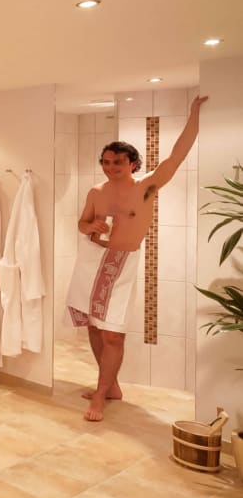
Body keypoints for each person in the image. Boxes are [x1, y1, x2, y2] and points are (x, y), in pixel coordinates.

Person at [66, 95, 208, 421]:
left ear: (132, 163)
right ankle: (110, 386)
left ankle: (100, 395)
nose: (110, 167)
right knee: (93, 327)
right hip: (92, 261)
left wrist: (195, 115)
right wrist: (91, 226)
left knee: (113, 333)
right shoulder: (96, 192)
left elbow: (176, 156)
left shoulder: (146, 187)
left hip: (123, 264)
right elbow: (82, 224)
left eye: (117, 162)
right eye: (105, 161)